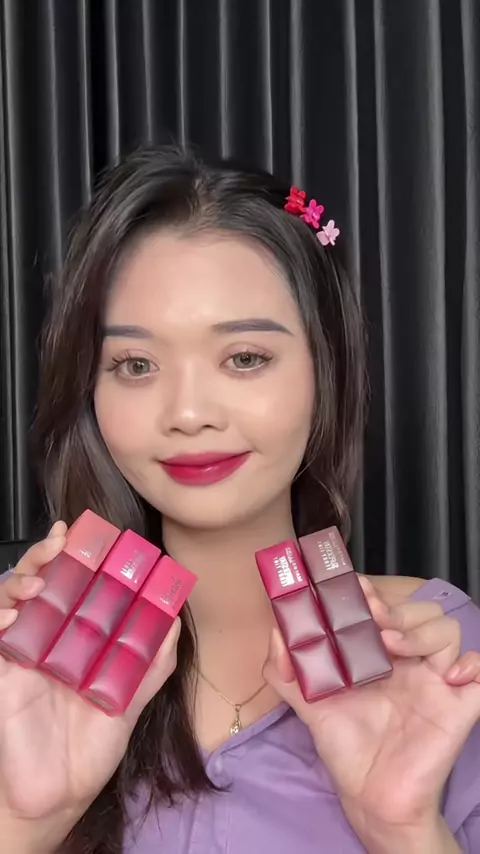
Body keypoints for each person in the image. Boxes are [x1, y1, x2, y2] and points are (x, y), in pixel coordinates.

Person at [0, 145, 479, 854]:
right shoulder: (22, 659)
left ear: (326, 369)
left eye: (245, 358)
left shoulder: (437, 657)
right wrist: (24, 822)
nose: (189, 413)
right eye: (136, 364)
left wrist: (402, 827)